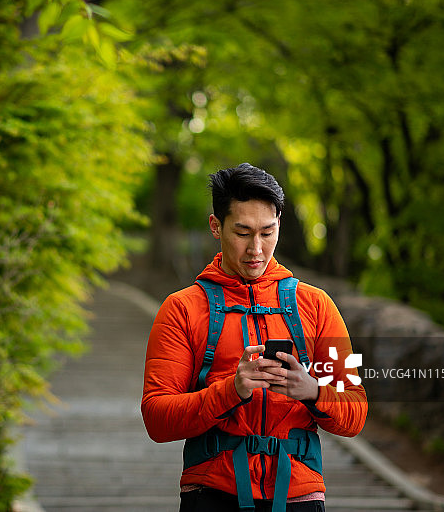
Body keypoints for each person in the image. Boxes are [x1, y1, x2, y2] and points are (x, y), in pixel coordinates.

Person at [141, 163, 367, 512]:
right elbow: (157, 418)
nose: (256, 249)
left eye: (267, 232)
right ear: (216, 226)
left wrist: (313, 391)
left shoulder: (317, 305)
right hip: (211, 494)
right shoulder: (182, 309)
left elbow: (356, 410)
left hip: (300, 494)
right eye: (242, 232)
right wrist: (232, 390)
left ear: (280, 224)